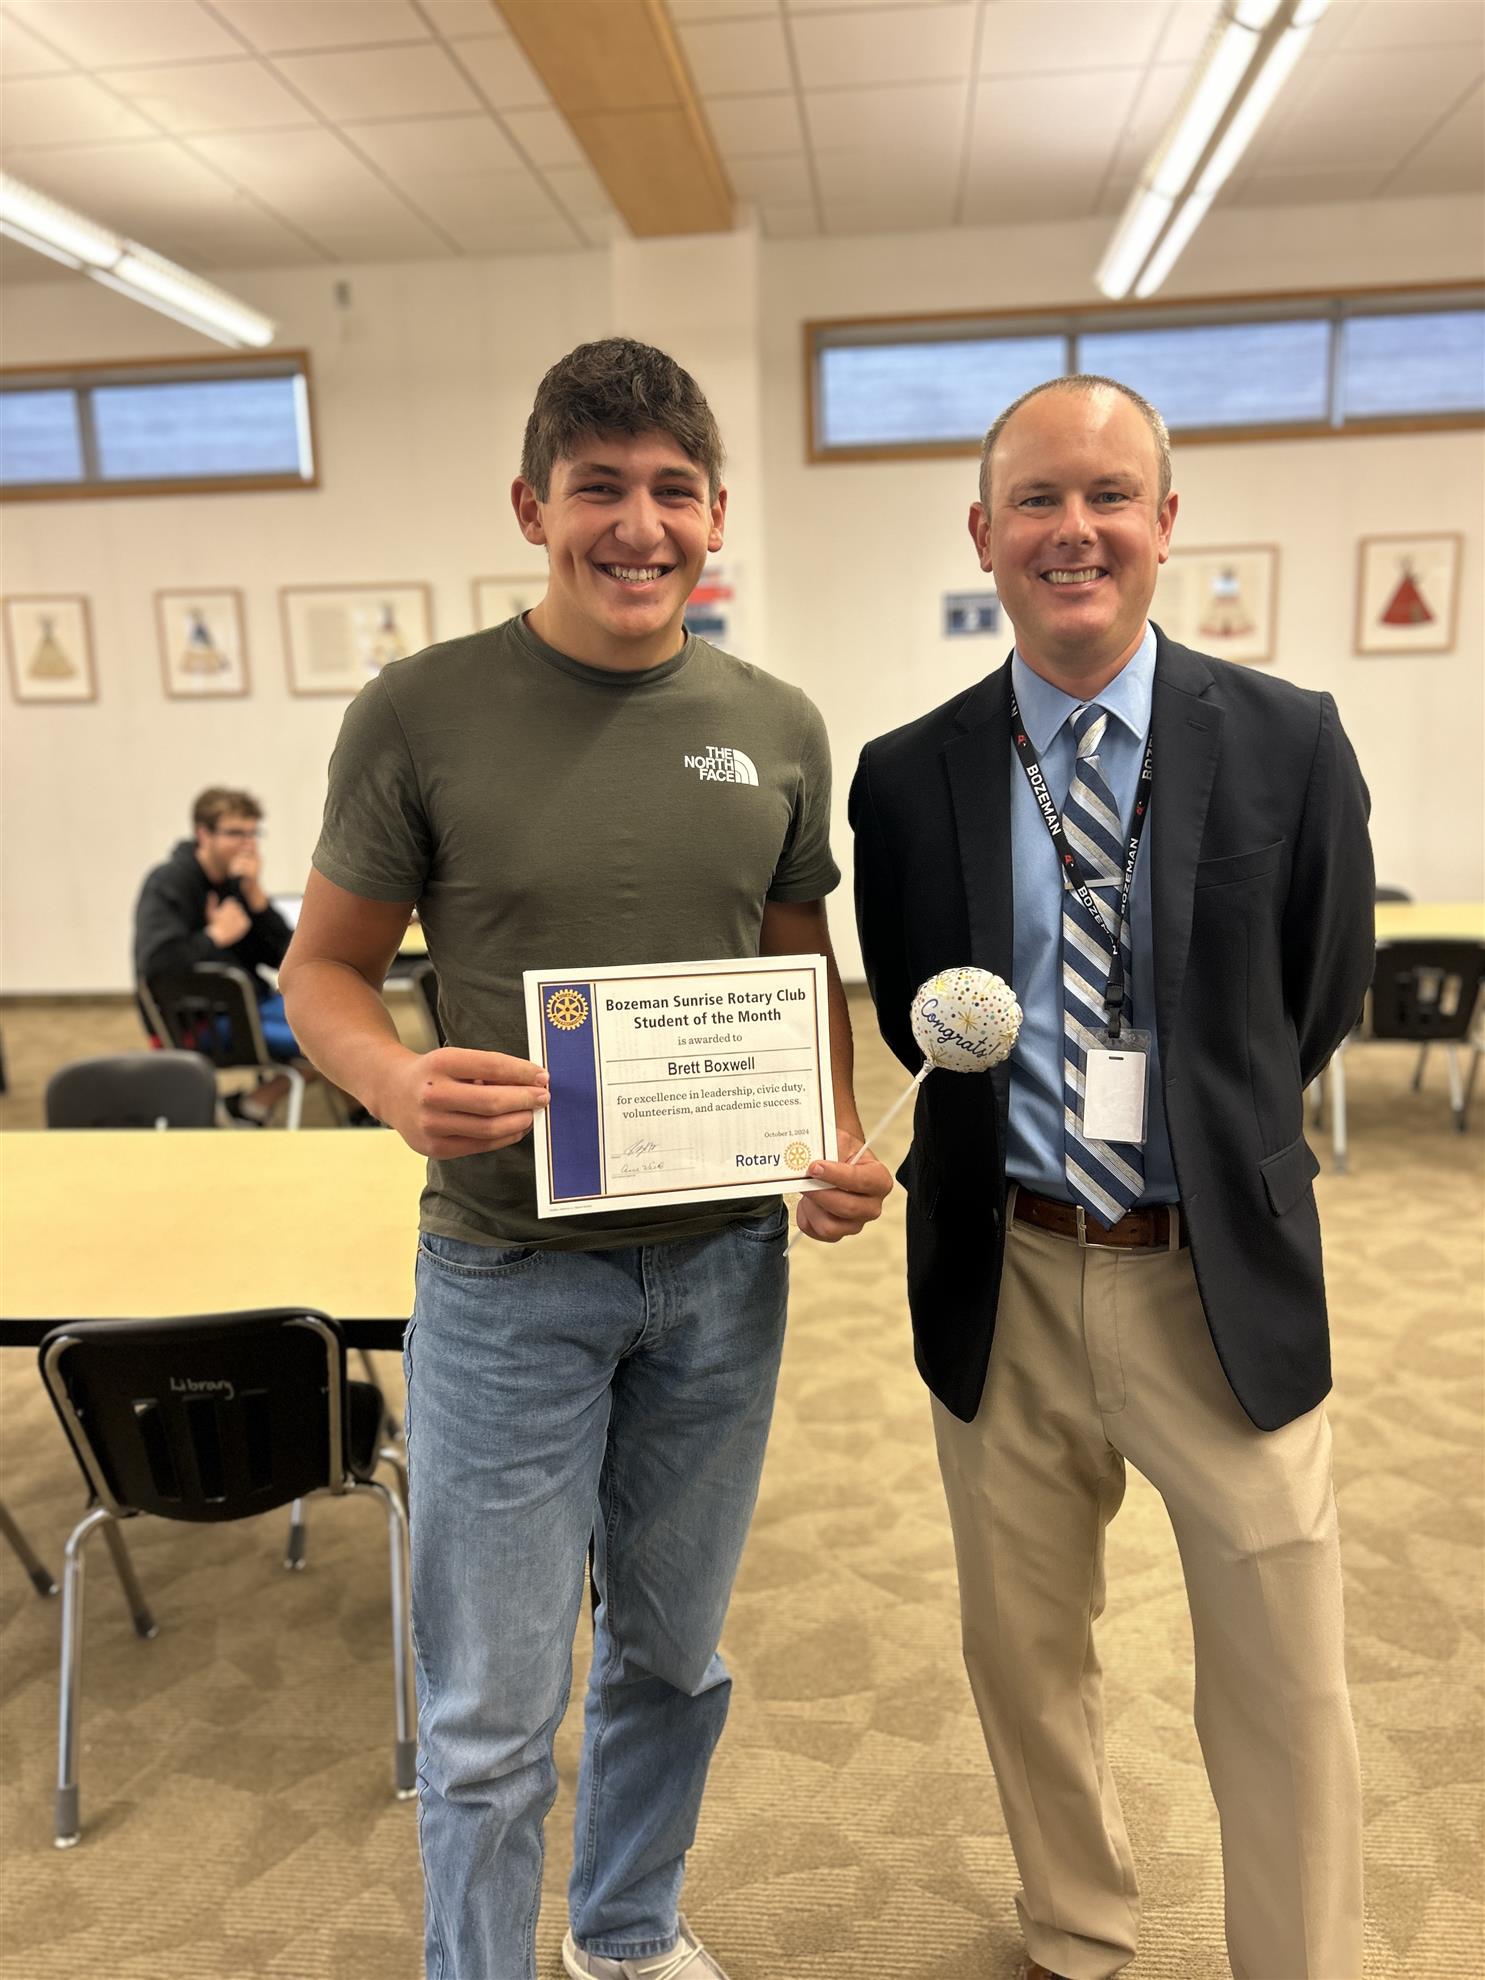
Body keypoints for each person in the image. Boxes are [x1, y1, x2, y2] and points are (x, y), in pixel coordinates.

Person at [279, 338, 891, 1980]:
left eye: (673, 491)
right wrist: (395, 1083)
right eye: (598, 488)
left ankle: (624, 1931)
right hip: (504, 1279)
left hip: (722, 1273)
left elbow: (798, 970)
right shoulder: (420, 712)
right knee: (490, 1709)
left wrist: (831, 1136)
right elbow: (320, 972)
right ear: (530, 506)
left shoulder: (775, 725)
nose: (638, 525)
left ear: (716, 515)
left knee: (674, 1657)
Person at [850, 375, 1372, 1980]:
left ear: (1163, 520)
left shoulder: (1286, 742)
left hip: (1213, 1275)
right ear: (982, 533)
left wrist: (1197, 1142)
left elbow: (1317, 996)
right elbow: (924, 1017)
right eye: (1035, 500)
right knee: (1023, 1652)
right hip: (1003, 1271)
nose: (1072, 531)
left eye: (1107, 496)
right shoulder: (905, 775)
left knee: (1284, 1669)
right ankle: (1076, 1930)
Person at [133, 786, 298, 1123]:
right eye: (235, 833)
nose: (248, 844)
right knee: (327, 1042)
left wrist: (256, 897)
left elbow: (289, 958)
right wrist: (214, 937)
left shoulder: (237, 884)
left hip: (251, 1006)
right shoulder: (169, 882)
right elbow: (156, 963)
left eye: (253, 834)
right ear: (203, 834)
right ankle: (254, 1104)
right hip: (198, 1020)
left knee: (336, 1022)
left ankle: (252, 1104)